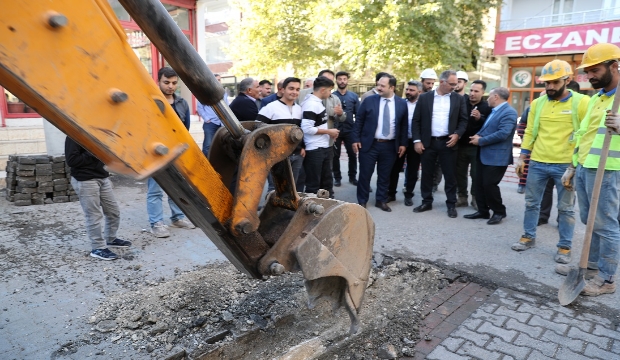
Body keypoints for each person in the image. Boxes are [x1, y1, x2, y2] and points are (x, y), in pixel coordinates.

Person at [511, 60, 589, 263]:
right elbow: (530, 132)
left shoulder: (581, 103)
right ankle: (528, 237)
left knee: (566, 209)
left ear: (567, 80)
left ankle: (564, 247)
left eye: (554, 82)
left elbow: (587, 134)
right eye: (546, 83)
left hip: (565, 165)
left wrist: (575, 165)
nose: (550, 87)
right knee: (531, 203)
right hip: (537, 162)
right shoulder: (538, 103)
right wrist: (522, 157)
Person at [559, 43, 620, 296]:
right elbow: (583, 135)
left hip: (607, 169)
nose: (589, 76)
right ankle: (591, 265)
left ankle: (607, 280)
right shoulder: (597, 98)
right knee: (590, 220)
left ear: (614, 66)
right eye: (588, 71)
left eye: (595, 70)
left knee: (606, 225)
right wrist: (573, 166)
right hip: (585, 166)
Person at [411, 70, 468, 218]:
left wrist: (457, 134)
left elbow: (463, 120)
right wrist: (417, 140)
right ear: (442, 82)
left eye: (456, 84)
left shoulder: (458, 99)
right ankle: (426, 201)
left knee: (450, 175)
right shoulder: (424, 98)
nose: (454, 87)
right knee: (427, 174)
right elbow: (416, 120)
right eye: (452, 84)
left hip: (448, 142)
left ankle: (451, 204)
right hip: (428, 142)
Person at [148, 67, 196, 238]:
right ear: (158, 81)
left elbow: (186, 129)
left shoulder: (182, 103)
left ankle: (177, 217)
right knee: (155, 190)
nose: (170, 86)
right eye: (166, 82)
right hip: (156, 153)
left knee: (177, 188)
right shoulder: (151, 101)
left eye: (174, 83)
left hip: (177, 152)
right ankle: (156, 223)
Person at [66, 137, 130, 260]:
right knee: (93, 215)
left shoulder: (96, 134)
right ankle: (98, 248)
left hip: (102, 177)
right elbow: (72, 161)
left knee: (113, 211)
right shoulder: (74, 135)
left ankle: (111, 239)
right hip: (85, 179)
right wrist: (95, 152)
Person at [352, 74, 408, 211]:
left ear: (392, 87)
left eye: (382, 86)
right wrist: (355, 139)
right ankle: (362, 201)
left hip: (390, 146)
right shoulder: (369, 101)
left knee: (385, 175)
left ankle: (381, 200)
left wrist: (403, 144)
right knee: (365, 174)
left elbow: (404, 126)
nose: (378, 88)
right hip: (369, 144)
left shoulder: (401, 103)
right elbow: (359, 120)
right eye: (378, 84)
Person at [464, 87, 517, 225]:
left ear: (496, 97)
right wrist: (479, 135)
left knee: (489, 185)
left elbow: (503, 133)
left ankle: (499, 211)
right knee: (479, 183)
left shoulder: (509, 112)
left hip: (497, 157)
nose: (487, 99)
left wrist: (480, 140)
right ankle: (483, 211)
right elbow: (489, 128)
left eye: (489, 96)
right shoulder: (495, 111)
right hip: (484, 153)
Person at [257, 77, 305, 185]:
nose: (294, 92)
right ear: (282, 90)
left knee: (292, 189)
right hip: (276, 156)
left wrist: (303, 147)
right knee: (275, 190)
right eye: (291, 88)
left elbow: (301, 130)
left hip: (296, 156)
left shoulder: (300, 109)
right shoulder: (270, 108)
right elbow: (257, 128)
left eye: (297, 89)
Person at [301, 76, 340, 197]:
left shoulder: (317, 103)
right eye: (329, 90)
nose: (330, 93)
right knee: (313, 185)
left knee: (326, 182)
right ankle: (310, 212)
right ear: (323, 90)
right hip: (315, 150)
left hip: (323, 148)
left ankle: (327, 208)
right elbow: (306, 128)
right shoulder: (311, 104)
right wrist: (329, 132)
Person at [455, 80, 492, 209]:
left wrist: (480, 118)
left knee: (476, 174)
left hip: (477, 147)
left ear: (483, 92)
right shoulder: (461, 103)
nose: (472, 93)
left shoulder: (487, 107)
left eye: (476, 91)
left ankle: (476, 198)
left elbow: (490, 126)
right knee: (459, 173)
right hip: (461, 145)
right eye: (471, 90)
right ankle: (462, 197)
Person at [387, 80, 422, 206]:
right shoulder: (400, 103)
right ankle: (391, 193)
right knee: (395, 168)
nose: (408, 92)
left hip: (415, 142)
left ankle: (408, 194)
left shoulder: (423, 105)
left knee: (412, 169)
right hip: (400, 140)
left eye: (412, 90)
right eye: (407, 89)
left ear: (419, 91)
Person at [332, 71, 360, 187]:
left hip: (350, 130)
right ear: (336, 80)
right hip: (336, 130)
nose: (342, 81)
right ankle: (337, 178)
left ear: (347, 80)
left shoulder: (353, 96)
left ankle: (352, 177)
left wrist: (357, 132)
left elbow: (358, 115)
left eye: (344, 79)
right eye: (340, 79)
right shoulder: (332, 96)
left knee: (352, 155)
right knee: (335, 156)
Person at [198, 73, 228, 158]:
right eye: (216, 80)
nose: (218, 82)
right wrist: (206, 118)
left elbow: (227, 106)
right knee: (207, 145)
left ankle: (216, 165)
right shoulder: (204, 93)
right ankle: (205, 164)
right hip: (210, 123)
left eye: (219, 80)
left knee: (220, 145)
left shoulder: (223, 93)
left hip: (221, 123)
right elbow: (200, 107)